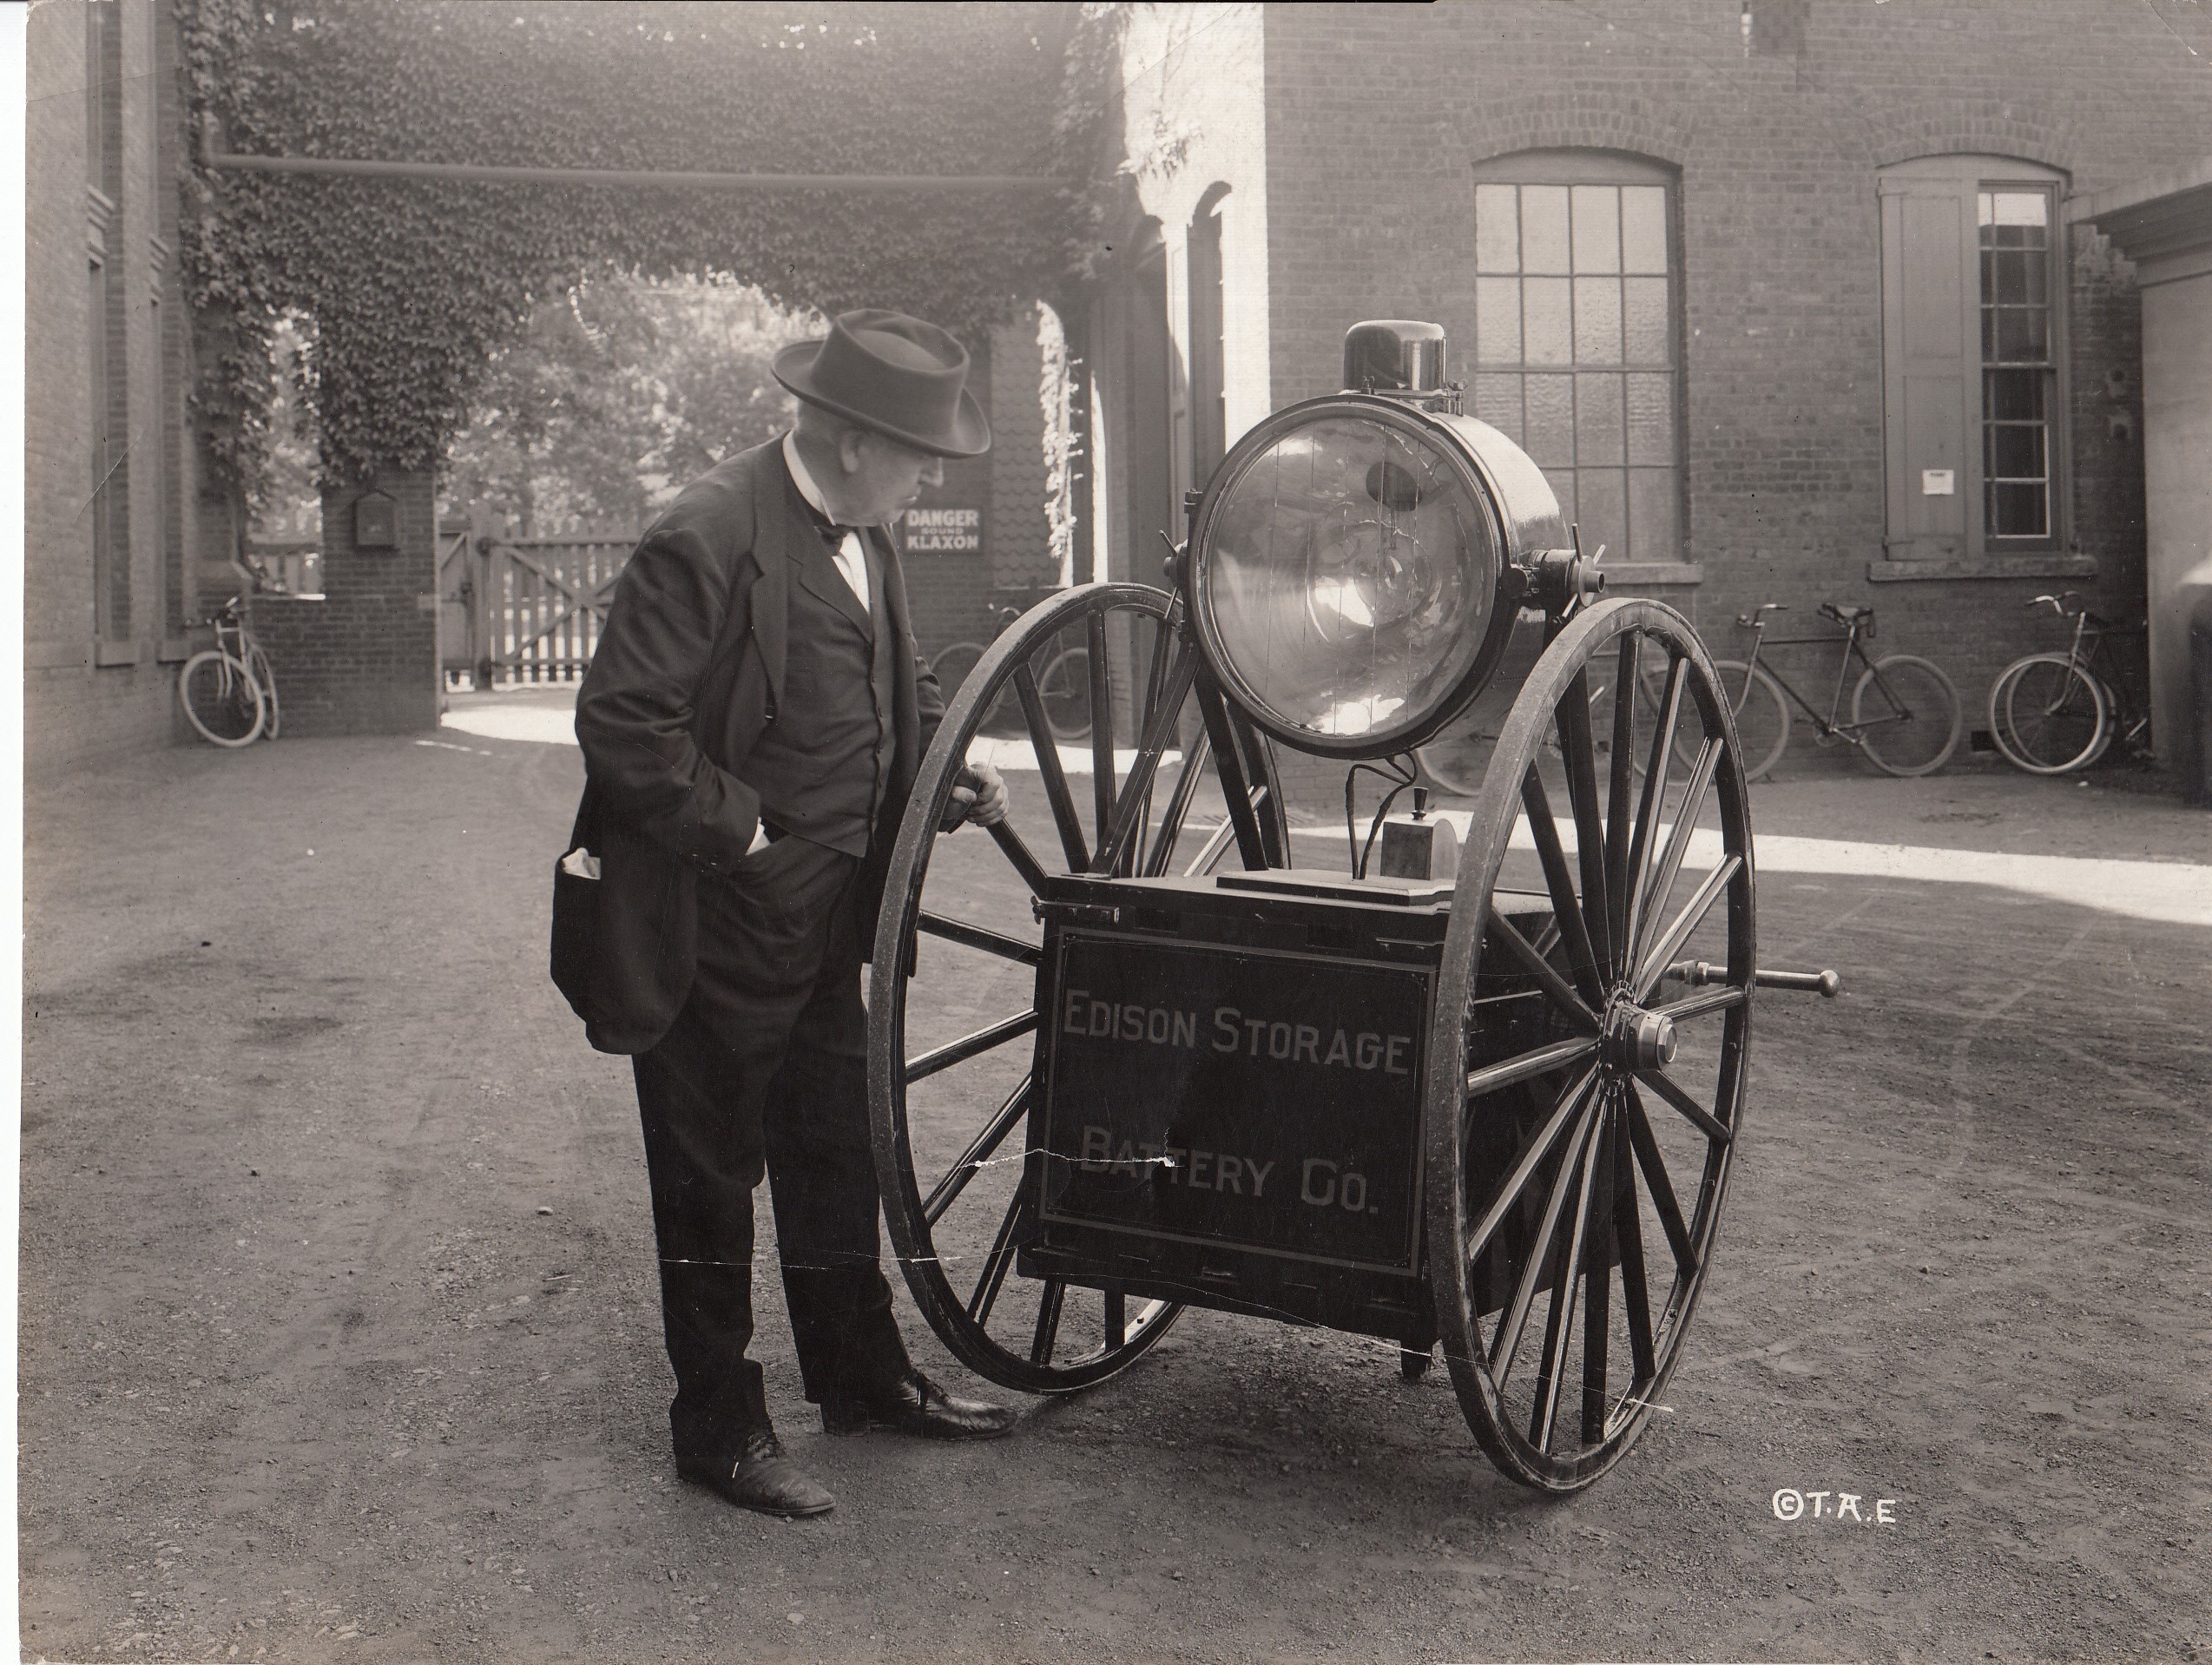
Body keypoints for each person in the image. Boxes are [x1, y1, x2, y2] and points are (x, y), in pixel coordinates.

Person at [554, 308, 1017, 1518]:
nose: (928, 480)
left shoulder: (868, 527)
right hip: (713, 924)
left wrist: (940, 774)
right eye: (922, 455)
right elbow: (622, 726)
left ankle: (861, 1379)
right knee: (708, 1177)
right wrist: (744, 831)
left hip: (826, 926)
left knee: (831, 1147)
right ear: (857, 440)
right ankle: (718, 1429)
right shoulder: (707, 530)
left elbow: (875, 678)